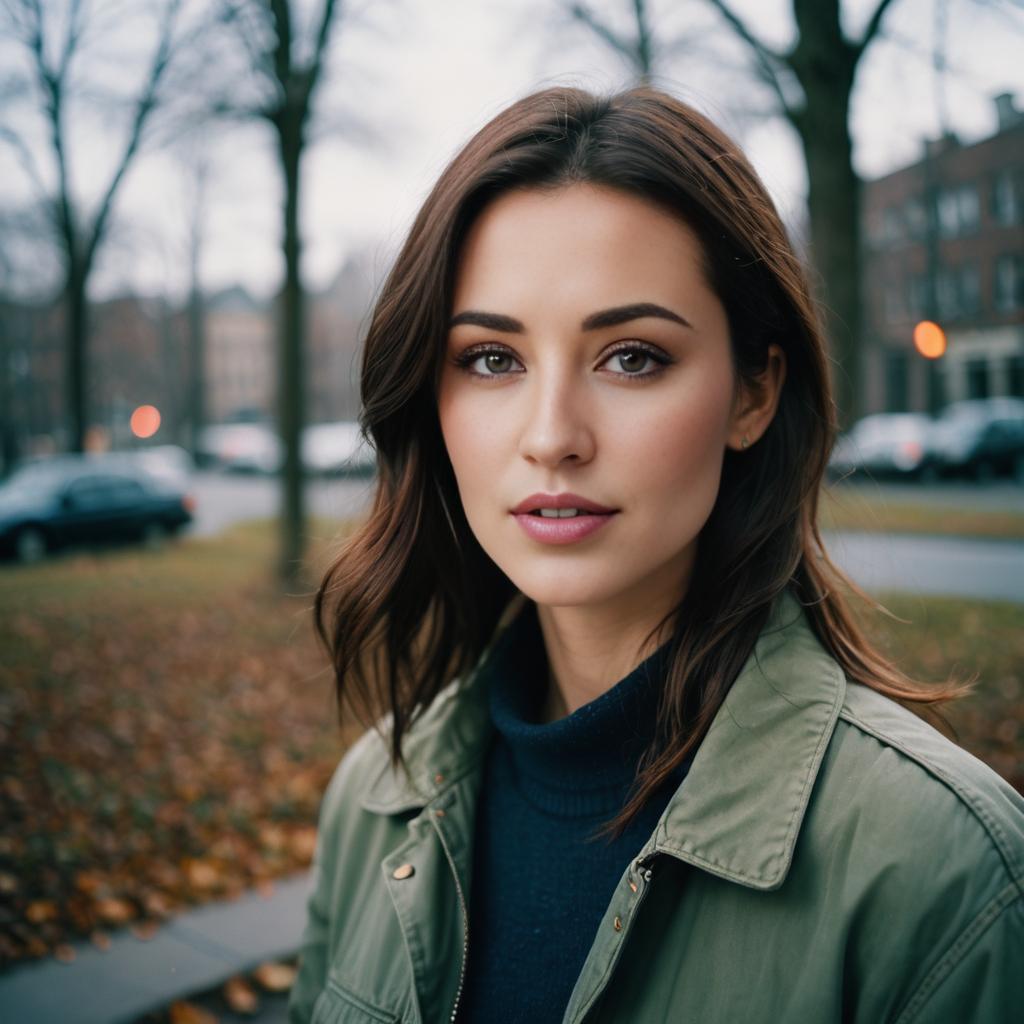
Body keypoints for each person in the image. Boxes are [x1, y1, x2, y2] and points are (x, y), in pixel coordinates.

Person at [288, 85, 1024, 1024]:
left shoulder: (944, 871)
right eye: (491, 359)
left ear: (754, 392)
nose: (552, 436)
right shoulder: (371, 801)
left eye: (632, 356)